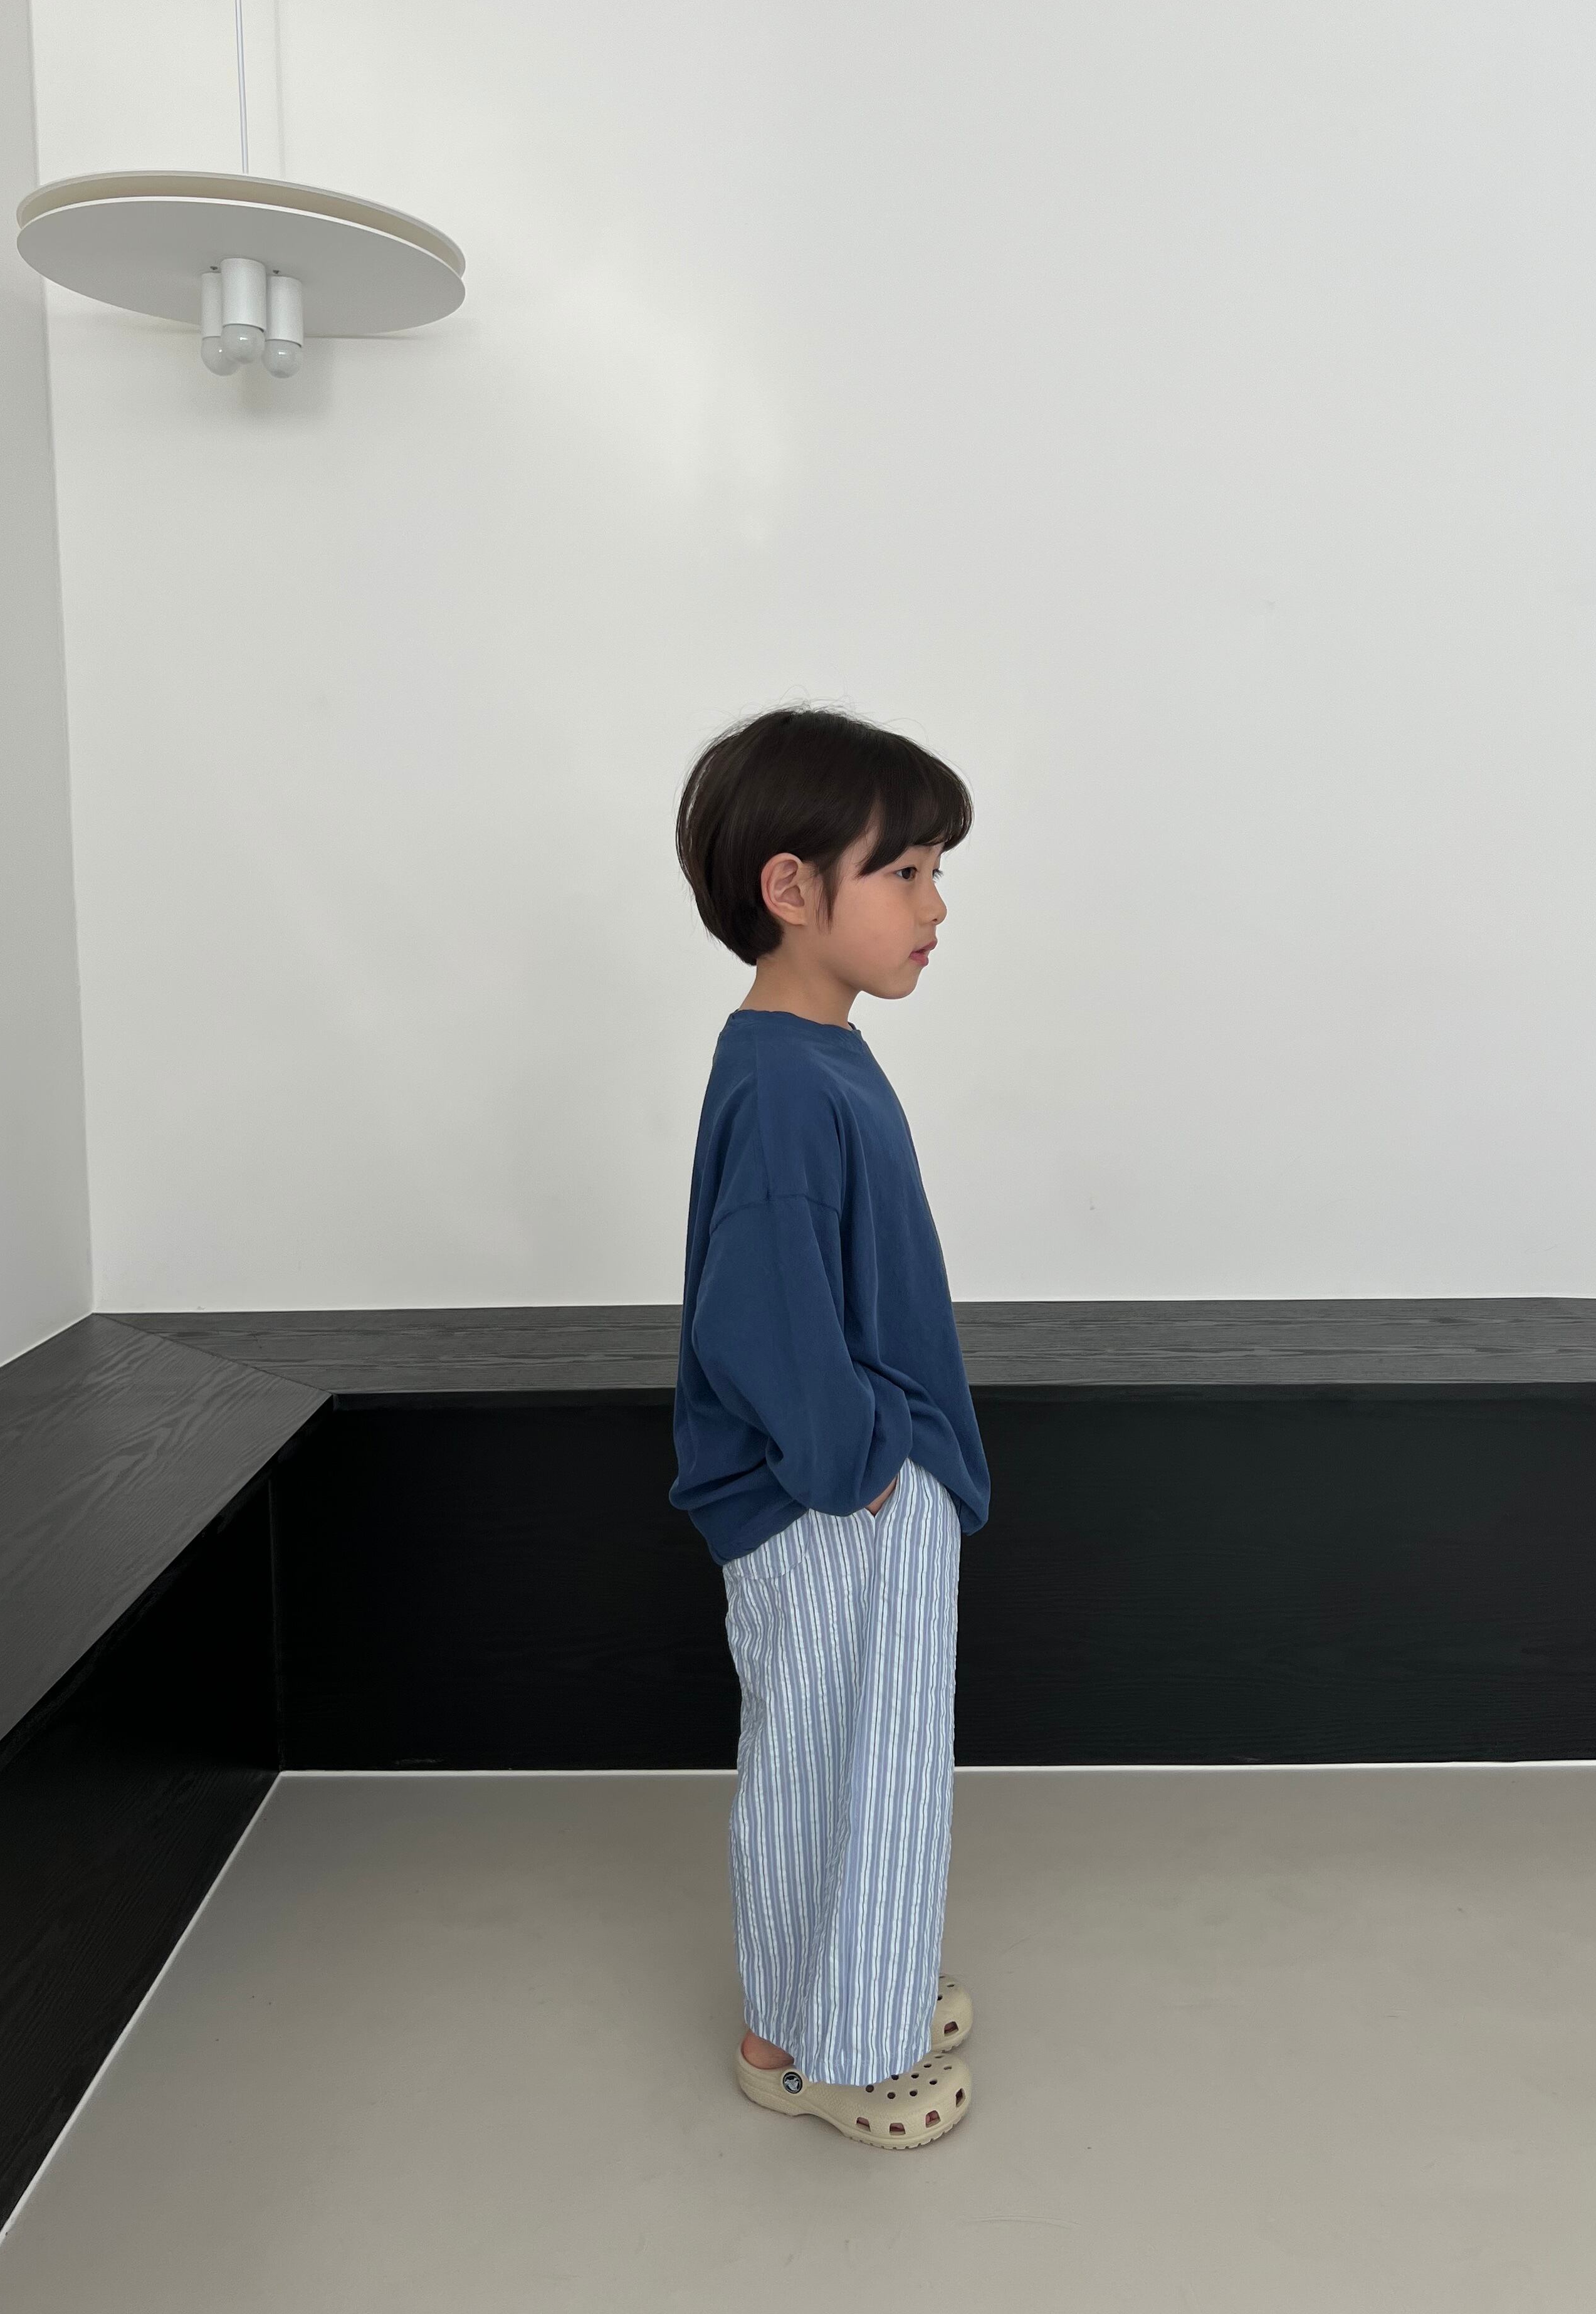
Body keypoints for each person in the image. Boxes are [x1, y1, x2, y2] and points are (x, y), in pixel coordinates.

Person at [669, 703, 992, 2151]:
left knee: (870, 1757)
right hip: (829, 1494)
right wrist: (859, 1466)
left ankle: (856, 1994)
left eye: (936, 871)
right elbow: (760, 1311)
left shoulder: (811, 1055)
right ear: (793, 888)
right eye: (904, 872)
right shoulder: (788, 1080)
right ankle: (807, 2052)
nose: (936, 906)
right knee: (835, 1762)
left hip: (856, 1474)